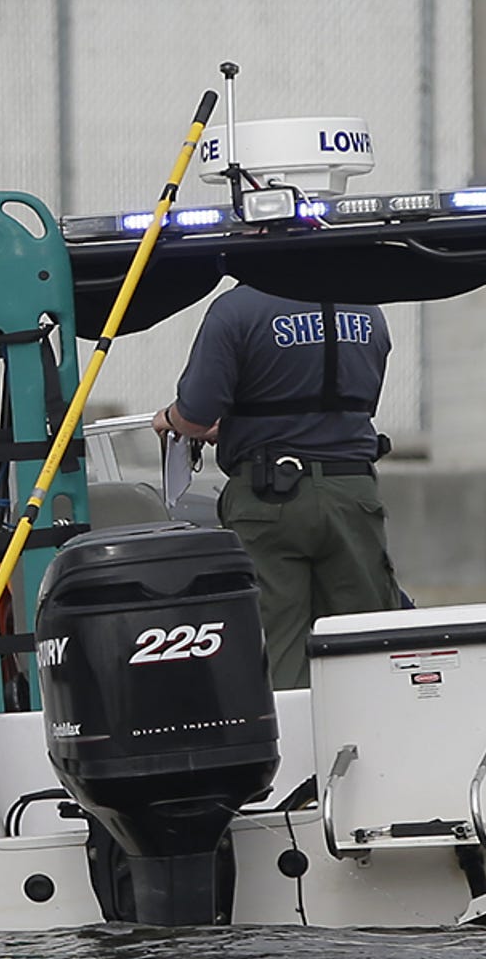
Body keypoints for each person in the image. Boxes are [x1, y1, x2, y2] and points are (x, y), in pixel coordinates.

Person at [153, 285, 407, 691]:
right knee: (366, 642)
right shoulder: (367, 308)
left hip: (266, 501)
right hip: (352, 491)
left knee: (274, 646)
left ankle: (288, 748)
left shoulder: (235, 310)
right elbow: (350, 404)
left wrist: (168, 418)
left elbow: (196, 416)